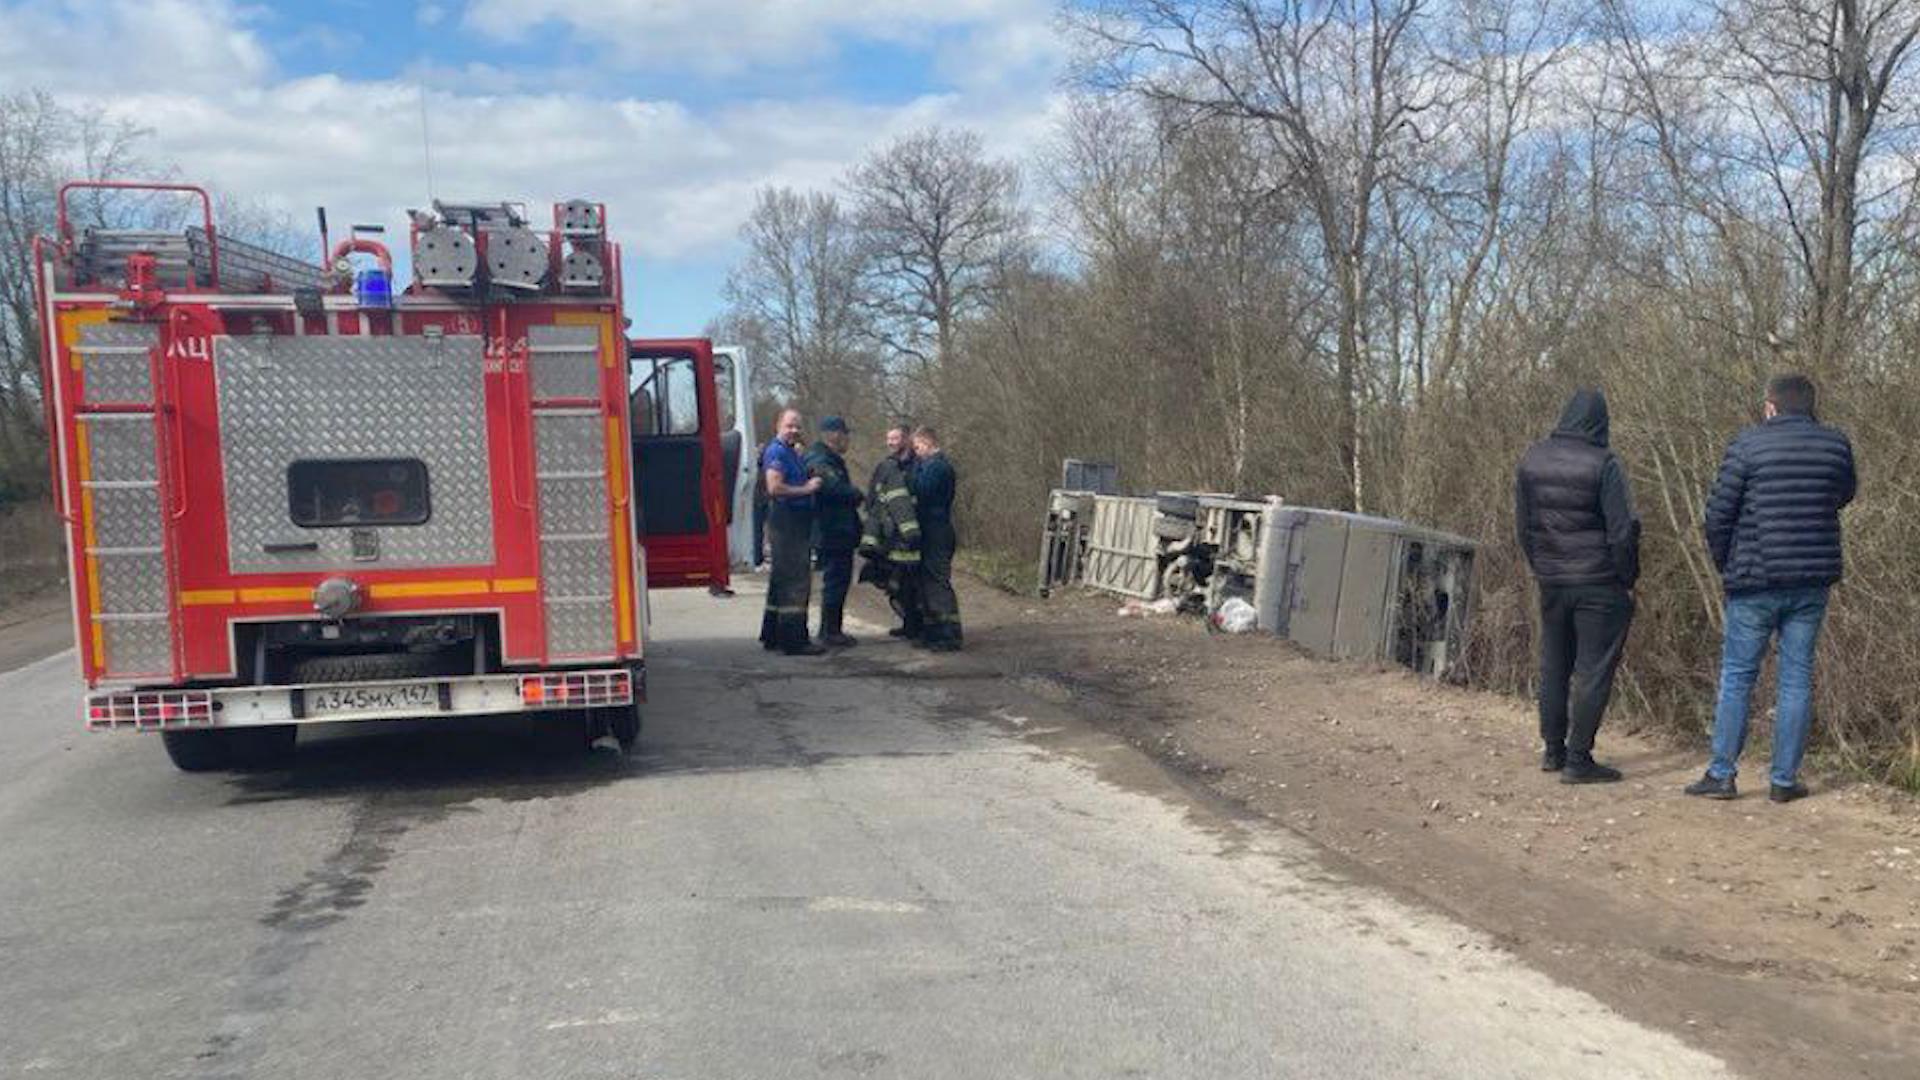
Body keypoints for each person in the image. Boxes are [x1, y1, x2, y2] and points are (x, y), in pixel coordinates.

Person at [1686, 374, 1856, 803]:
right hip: (1811, 579)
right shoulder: (1836, 445)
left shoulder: (1747, 445)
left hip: (1755, 579)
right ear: (1811, 406)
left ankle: (1722, 774)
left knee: (1739, 675)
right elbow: (1843, 495)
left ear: (1770, 406)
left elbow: (1718, 513)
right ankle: (1783, 780)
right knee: (1796, 677)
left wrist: (1727, 563)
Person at [1514, 389, 1640, 783]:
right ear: (1601, 422)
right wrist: (1627, 577)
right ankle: (1578, 759)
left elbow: (1523, 525)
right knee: (1592, 670)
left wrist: (1541, 566)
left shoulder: (1532, 459)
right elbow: (1622, 531)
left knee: (1554, 664)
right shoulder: (1604, 464)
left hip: (1551, 579)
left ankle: (1553, 751)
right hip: (1599, 582)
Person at [758, 409, 826, 656]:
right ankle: (794, 640)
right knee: (796, 581)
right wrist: (807, 489)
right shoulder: (776, 451)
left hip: (795, 521)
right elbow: (774, 487)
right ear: (778, 426)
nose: (795, 430)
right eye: (789, 426)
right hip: (787, 522)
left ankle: (773, 634)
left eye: (798, 426)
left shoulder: (791, 452)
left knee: (781, 579)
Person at [805, 416, 864, 648]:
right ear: (835, 435)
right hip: (832, 531)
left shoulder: (829, 459)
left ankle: (832, 629)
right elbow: (831, 488)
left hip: (836, 530)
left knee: (838, 580)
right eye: (845, 435)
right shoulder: (821, 460)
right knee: (835, 581)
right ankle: (829, 631)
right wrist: (855, 494)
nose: (847, 440)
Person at [860, 424, 923, 639]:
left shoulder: (919, 465)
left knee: (912, 583)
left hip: (912, 535)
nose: (890, 443)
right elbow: (874, 501)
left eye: (895, 438)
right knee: (895, 584)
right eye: (888, 439)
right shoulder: (885, 467)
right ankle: (908, 624)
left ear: (906, 440)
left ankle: (916, 626)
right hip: (890, 536)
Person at [909, 426, 962, 652]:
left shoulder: (937, 467)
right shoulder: (930, 465)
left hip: (937, 530)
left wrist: (909, 476)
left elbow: (921, 490)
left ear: (927, 443)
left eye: (917, 447)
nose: (916, 452)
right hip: (930, 530)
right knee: (927, 583)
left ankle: (949, 634)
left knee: (938, 582)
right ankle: (933, 631)